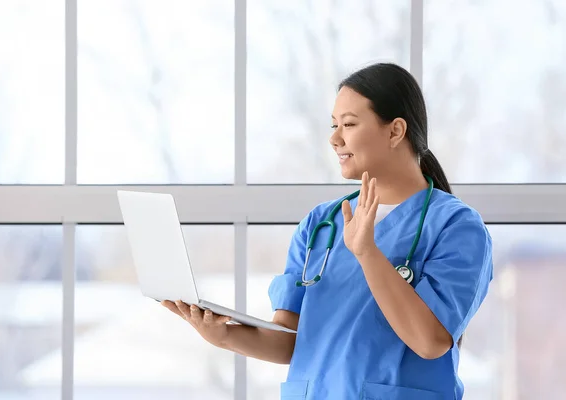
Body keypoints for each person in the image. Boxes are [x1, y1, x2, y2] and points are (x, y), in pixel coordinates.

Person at [162, 62, 493, 399]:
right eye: (334, 125)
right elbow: (291, 339)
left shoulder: (457, 227)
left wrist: (367, 253)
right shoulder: (321, 224)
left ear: (395, 131)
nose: (334, 139)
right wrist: (221, 335)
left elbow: (430, 341)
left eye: (348, 124)